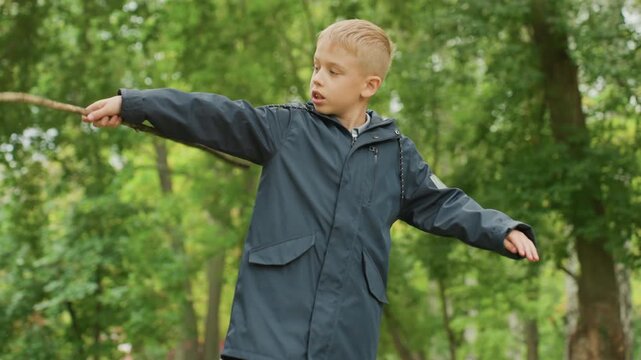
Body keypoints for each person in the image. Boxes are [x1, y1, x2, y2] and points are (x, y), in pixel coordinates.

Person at [83, 19, 539, 360]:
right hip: (266, 339)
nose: (317, 78)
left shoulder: (397, 157)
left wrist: (501, 228)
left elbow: (443, 202)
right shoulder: (285, 129)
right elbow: (213, 115)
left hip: (346, 341)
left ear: (369, 86)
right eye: (316, 66)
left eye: (333, 71)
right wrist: (136, 104)